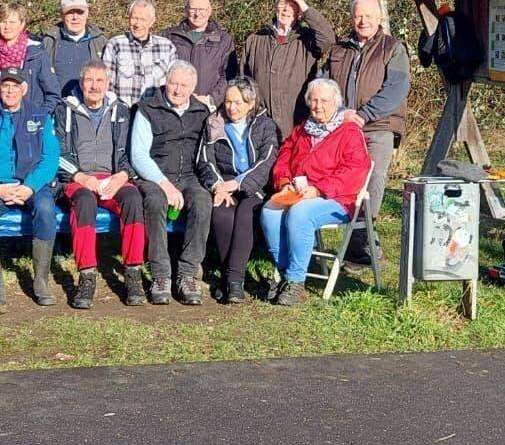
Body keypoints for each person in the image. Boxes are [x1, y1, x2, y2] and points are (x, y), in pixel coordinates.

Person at [262, 79, 372, 306]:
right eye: (313, 100)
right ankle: (284, 273)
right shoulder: (302, 129)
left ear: (336, 102)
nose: (317, 105)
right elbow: (283, 157)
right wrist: (283, 182)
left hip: (337, 199)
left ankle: (296, 281)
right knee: (269, 211)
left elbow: (355, 171)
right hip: (299, 192)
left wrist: (319, 189)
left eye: (324, 100)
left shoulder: (349, 131)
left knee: (300, 213)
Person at [0, 68, 61, 316]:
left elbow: (50, 159)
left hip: (31, 184)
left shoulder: (40, 117)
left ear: (24, 89)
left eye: (15, 86)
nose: (10, 90)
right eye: (5, 86)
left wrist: (29, 186)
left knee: (46, 209)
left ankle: (41, 282)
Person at [54, 61, 146, 309]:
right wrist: (81, 177)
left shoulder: (122, 111)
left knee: (133, 199)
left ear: (108, 84)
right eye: (89, 80)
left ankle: (133, 273)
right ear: (81, 84)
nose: (94, 86)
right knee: (83, 201)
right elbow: (57, 152)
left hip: (113, 178)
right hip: (78, 179)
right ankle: (86, 275)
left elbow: (133, 152)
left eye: (99, 81)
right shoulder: (65, 110)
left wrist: (122, 175)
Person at [326, 0, 410, 264]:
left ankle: (363, 240)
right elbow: (325, 86)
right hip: (343, 127)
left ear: (379, 18)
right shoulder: (338, 50)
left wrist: (363, 116)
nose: (363, 21)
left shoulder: (393, 48)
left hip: (378, 128)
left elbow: (396, 90)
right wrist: (339, 114)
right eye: (358, 16)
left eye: (368, 16)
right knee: (343, 182)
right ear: (352, 19)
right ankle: (356, 242)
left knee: (373, 182)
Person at [130, 61, 213, 305]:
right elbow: (138, 155)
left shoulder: (202, 112)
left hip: (189, 176)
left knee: (202, 201)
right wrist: (164, 183)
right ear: (166, 82)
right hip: (154, 175)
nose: (177, 90)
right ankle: (161, 275)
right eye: (173, 83)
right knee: (155, 203)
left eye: (183, 86)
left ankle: (187, 273)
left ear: (193, 87)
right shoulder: (147, 109)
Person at [195, 76, 280, 304]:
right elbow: (205, 160)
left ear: (251, 103)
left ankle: (232, 279)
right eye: (228, 101)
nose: (231, 108)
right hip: (223, 183)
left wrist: (240, 184)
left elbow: (267, 161)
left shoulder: (265, 125)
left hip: (255, 185)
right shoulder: (214, 122)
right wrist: (217, 186)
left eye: (238, 103)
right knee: (222, 214)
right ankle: (231, 280)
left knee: (245, 213)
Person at [240, 0, 337, 138]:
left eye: (292, 5)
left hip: (297, 125)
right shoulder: (255, 40)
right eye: (282, 4)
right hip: (260, 126)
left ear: (299, 12)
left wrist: (305, 8)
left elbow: (328, 38)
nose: (286, 10)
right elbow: (243, 81)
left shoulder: (307, 40)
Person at [0, 1, 59, 113]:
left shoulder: (36, 55)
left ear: (22, 24)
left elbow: (53, 94)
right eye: (3, 22)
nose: (7, 26)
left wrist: (39, 118)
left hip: (27, 122)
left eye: (12, 22)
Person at [162, 0, 236, 105]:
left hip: (208, 107)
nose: (197, 14)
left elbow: (229, 75)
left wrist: (211, 99)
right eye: (193, 9)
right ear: (186, 10)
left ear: (209, 11)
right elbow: (161, 71)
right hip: (174, 104)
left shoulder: (224, 40)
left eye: (202, 9)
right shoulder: (169, 36)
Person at [102, 0, 177, 107]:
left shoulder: (166, 47)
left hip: (155, 114)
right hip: (124, 113)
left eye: (142, 19)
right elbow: (107, 84)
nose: (137, 24)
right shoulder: (115, 44)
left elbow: (173, 84)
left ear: (152, 22)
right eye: (134, 18)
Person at [42, 0, 107, 99]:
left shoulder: (101, 42)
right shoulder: (49, 42)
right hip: (58, 108)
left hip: (90, 109)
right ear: (61, 15)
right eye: (70, 12)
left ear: (87, 13)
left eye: (80, 12)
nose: (75, 17)